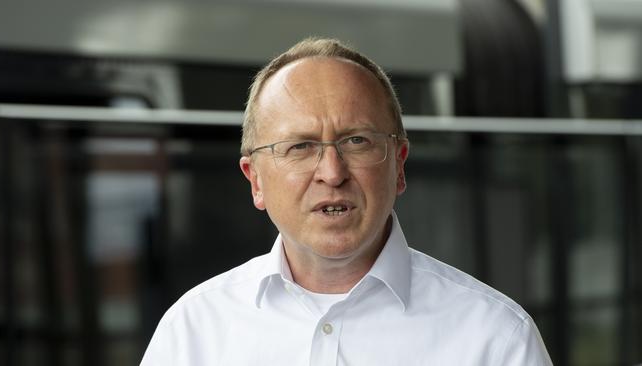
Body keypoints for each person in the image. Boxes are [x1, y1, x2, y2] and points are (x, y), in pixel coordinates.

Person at [141, 38, 552, 365]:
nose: (332, 172)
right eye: (300, 146)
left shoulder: (497, 339)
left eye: (357, 141)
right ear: (256, 181)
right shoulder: (192, 331)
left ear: (400, 166)